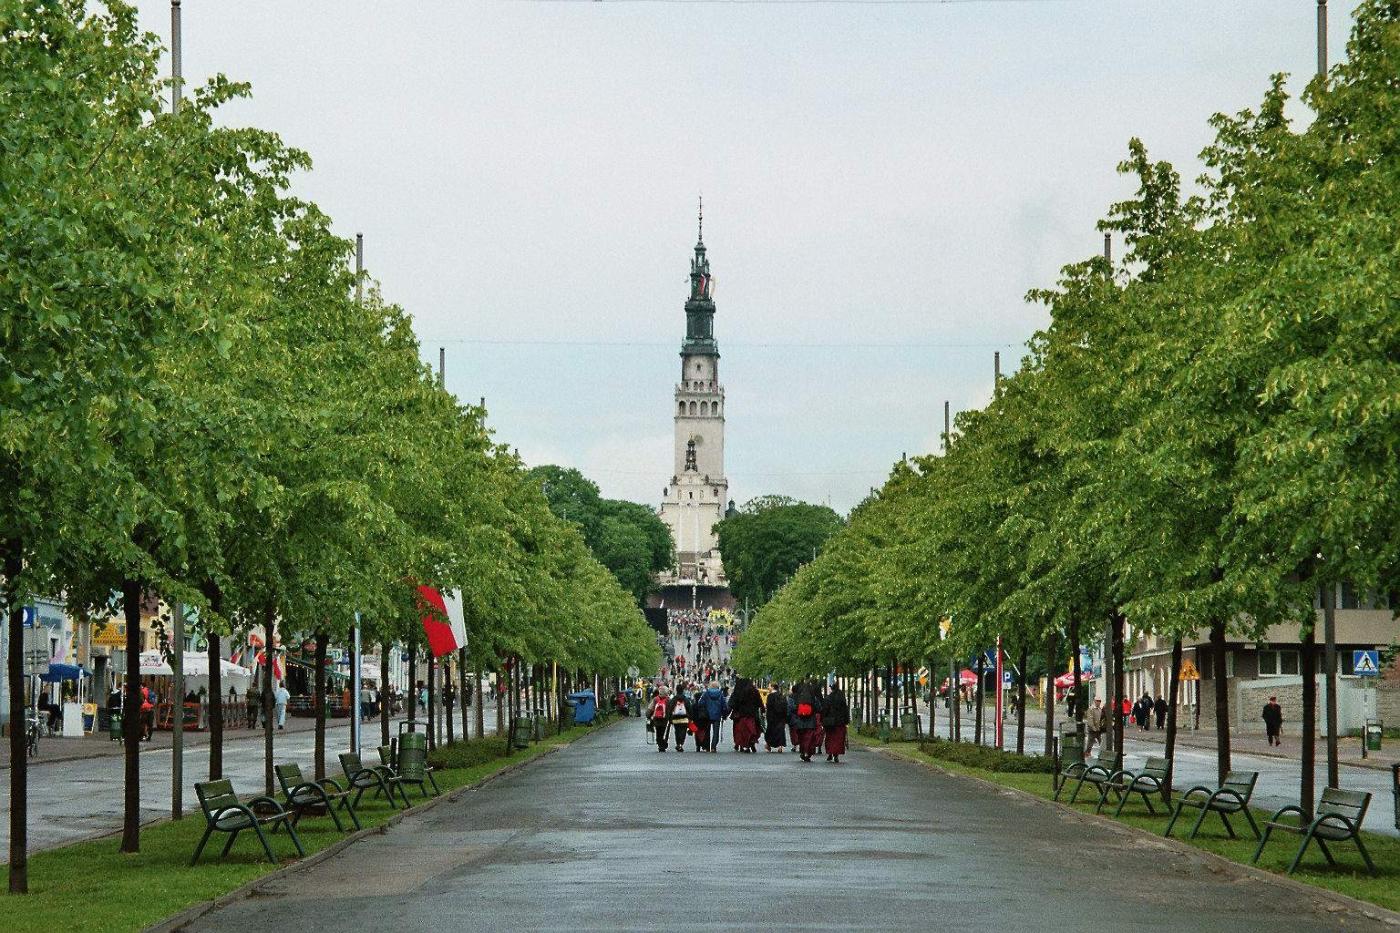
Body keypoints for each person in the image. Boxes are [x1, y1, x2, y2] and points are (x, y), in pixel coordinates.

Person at [789, 678, 819, 762]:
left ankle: (802, 752)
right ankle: (808, 753)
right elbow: (818, 707)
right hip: (810, 722)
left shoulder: (798, 698)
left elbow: (793, 708)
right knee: (809, 738)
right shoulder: (813, 698)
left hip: (800, 722)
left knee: (801, 738)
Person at [727, 679, 761, 753]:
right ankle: (750, 744)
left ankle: (740, 744)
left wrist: (726, 714)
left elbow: (731, 704)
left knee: (739, 731)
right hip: (752, 714)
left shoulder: (737, 692)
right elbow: (759, 702)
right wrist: (762, 710)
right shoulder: (754, 691)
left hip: (739, 715)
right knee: (750, 730)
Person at [823, 681, 850, 763]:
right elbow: (845, 710)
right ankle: (836, 755)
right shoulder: (842, 698)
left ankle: (830, 753)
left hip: (830, 722)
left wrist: (823, 719)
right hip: (840, 722)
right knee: (838, 739)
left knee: (830, 738)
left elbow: (825, 710)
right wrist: (846, 720)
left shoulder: (828, 698)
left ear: (832, 689)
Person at [764, 684, 788, 752]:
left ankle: (768, 745)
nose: (768, 687)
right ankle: (780, 746)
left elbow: (768, 706)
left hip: (772, 717)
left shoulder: (770, 696)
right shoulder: (782, 695)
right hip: (781, 716)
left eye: (769, 686)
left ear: (772, 687)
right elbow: (785, 706)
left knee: (771, 731)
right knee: (780, 731)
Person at [668, 686, 691, 752]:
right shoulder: (685, 699)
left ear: (676, 690)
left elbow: (670, 708)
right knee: (683, 731)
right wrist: (690, 718)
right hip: (684, 718)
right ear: (682, 690)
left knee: (677, 731)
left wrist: (669, 718)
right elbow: (689, 708)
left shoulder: (674, 699)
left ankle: (678, 743)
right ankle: (681, 743)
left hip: (675, 718)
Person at [650, 686, 671, 751]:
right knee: (662, 731)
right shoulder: (668, 700)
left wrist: (648, 715)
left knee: (658, 731)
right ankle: (661, 744)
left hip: (656, 718)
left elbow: (651, 708)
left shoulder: (655, 699)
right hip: (664, 719)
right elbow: (671, 709)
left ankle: (659, 743)